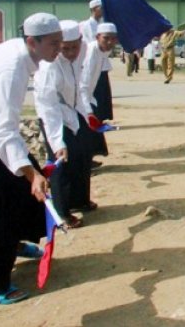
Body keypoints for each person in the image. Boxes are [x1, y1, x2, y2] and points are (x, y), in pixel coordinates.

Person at [0, 13, 61, 305]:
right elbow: (3, 131)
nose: (58, 49)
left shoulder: (22, 54)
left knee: (24, 191)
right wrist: (32, 175)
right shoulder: (12, 69)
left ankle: (18, 243)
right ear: (32, 41)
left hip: (0, 134)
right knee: (4, 209)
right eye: (53, 44)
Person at [34, 20, 93, 228]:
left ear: (80, 41)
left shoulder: (83, 50)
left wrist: (87, 112)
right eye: (64, 48)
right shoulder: (50, 67)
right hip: (54, 118)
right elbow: (48, 107)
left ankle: (80, 200)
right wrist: (58, 142)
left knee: (82, 157)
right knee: (62, 166)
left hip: (73, 113)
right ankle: (62, 213)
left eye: (74, 47)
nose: (70, 53)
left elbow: (79, 86)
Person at [80, 23, 119, 167]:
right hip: (79, 99)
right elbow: (82, 86)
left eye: (113, 39)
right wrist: (88, 112)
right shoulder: (91, 53)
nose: (109, 42)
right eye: (106, 38)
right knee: (83, 133)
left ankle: (87, 161)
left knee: (90, 133)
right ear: (97, 37)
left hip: (87, 97)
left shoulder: (101, 51)